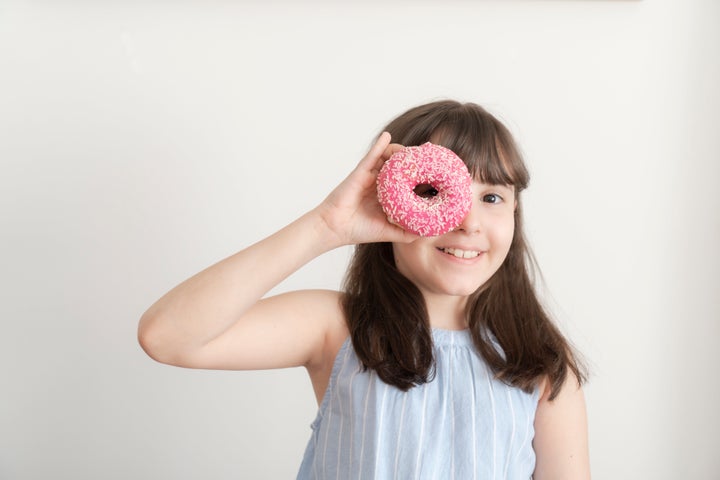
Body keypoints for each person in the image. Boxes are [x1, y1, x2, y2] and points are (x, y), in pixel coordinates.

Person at [138, 100, 590, 479]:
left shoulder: (540, 361)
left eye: (492, 197)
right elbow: (166, 337)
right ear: (392, 201)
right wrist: (325, 226)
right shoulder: (339, 329)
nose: (468, 221)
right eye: (436, 192)